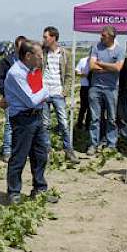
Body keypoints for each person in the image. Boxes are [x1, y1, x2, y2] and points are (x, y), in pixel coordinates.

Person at [1, 40, 56, 204]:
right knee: (19, 156)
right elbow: (32, 100)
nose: (41, 59)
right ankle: (14, 193)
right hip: (23, 118)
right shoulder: (16, 73)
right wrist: (47, 90)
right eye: (39, 56)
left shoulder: (33, 70)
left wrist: (43, 93)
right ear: (28, 55)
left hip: (36, 116)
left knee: (40, 155)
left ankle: (39, 189)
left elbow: (38, 97)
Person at [42, 26, 79, 163]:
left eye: (46, 37)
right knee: (45, 123)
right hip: (44, 93)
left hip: (58, 92)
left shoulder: (65, 54)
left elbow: (69, 75)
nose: (44, 39)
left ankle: (68, 149)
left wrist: (65, 91)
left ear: (53, 37)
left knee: (63, 122)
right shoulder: (42, 53)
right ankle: (47, 150)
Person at [87, 25, 126, 152]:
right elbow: (92, 66)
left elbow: (118, 68)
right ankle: (93, 143)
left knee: (112, 118)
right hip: (95, 87)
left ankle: (111, 144)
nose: (101, 37)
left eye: (103, 35)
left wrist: (101, 63)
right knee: (95, 117)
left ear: (111, 37)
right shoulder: (96, 47)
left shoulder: (120, 50)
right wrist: (110, 68)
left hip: (111, 88)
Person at [0, 35, 27, 162]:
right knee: (10, 124)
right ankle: (7, 151)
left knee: (24, 125)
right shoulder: (7, 61)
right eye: (20, 47)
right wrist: (5, 93)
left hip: (26, 99)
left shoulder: (29, 61)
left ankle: (21, 151)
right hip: (11, 98)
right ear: (15, 46)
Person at [75, 54, 91, 133]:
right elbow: (76, 71)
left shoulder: (98, 61)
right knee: (83, 107)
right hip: (85, 86)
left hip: (93, 87)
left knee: (90, 108)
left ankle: (88, 126)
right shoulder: (83, 60)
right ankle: (79, 124)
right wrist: (83, 74)